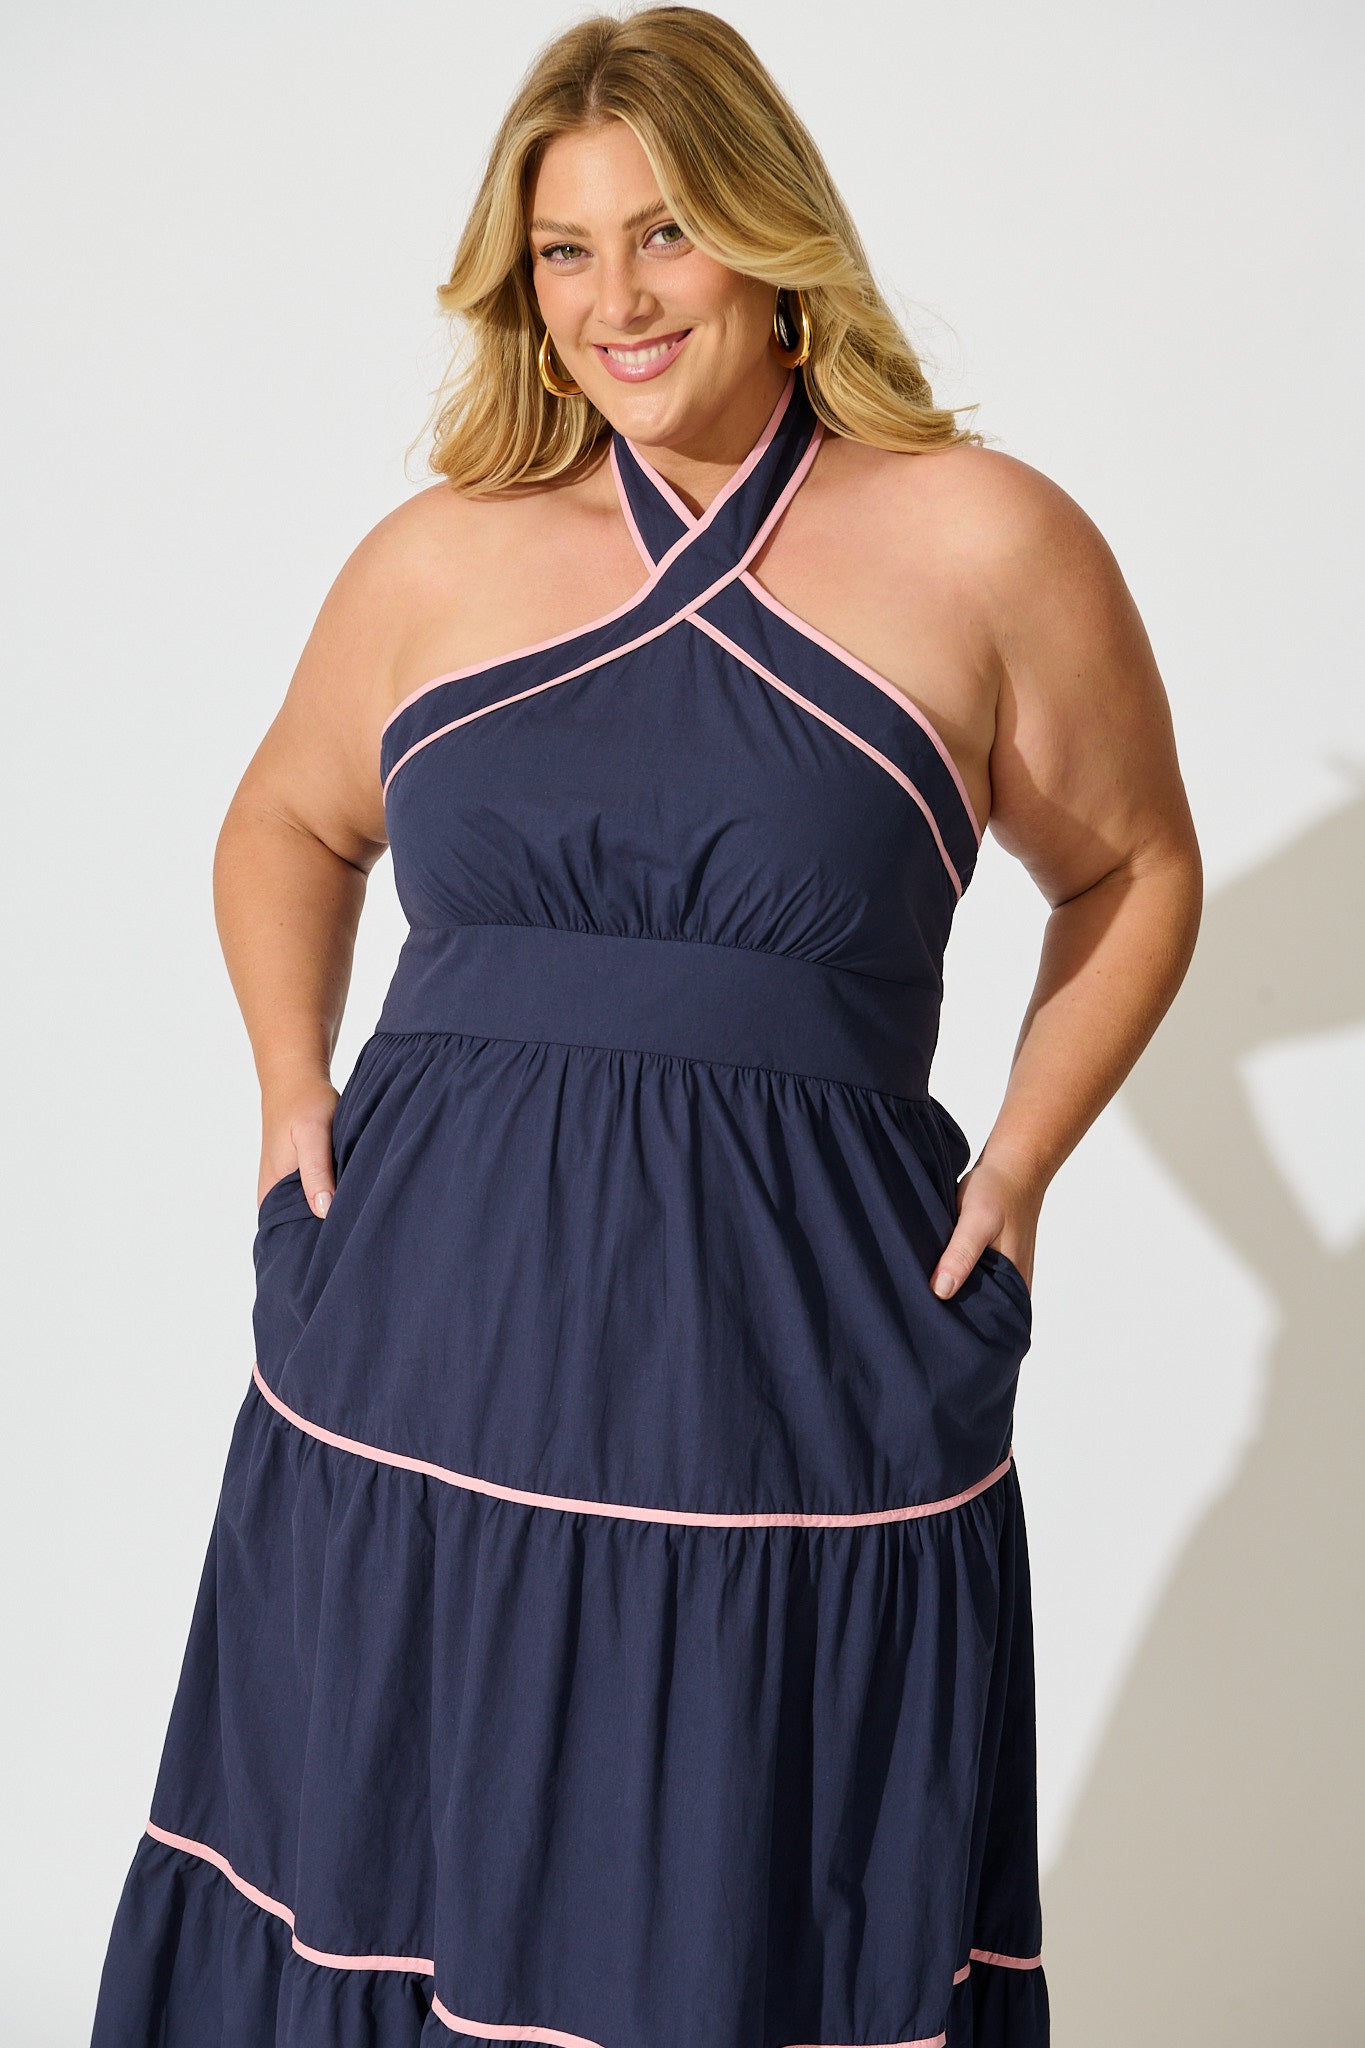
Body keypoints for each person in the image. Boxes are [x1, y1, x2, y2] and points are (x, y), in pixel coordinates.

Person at [90, 9, 1203, 2047]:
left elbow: (1132, 867)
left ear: (773, 241)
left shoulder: (980, 540)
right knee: (375, 1890)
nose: (616, 298)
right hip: (421, 1347)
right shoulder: (442, 556)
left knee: (723, 1919)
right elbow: (285, 818)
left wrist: (1022, 1166)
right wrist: (285, 1089)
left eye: (665, 231)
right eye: (564, 251)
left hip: (782, 1374)